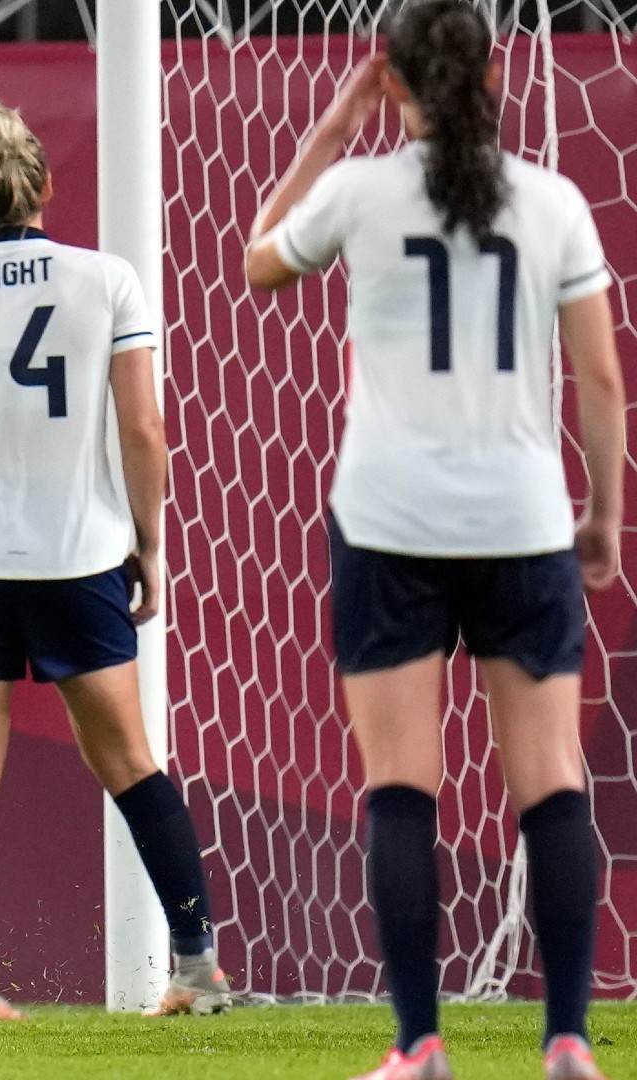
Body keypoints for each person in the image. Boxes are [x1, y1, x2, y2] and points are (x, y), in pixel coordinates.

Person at [244, 4, 624, 1078]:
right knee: (548, 779)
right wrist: (600, 513)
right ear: (496, 78)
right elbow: (600, 377)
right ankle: (566, 1042)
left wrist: (329, 129)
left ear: (393, 85)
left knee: (404, 786)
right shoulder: (551, 202)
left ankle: (418, 1047)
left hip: (389, 518)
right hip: (520, 519)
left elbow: (255, 262)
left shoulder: (361, 195)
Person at [0, 98, 232, 1025]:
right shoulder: (105, 280)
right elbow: (144, 428)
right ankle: (197, 968)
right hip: (79, 556)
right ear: (44, 183)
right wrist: (150, 545)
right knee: (130, 764)